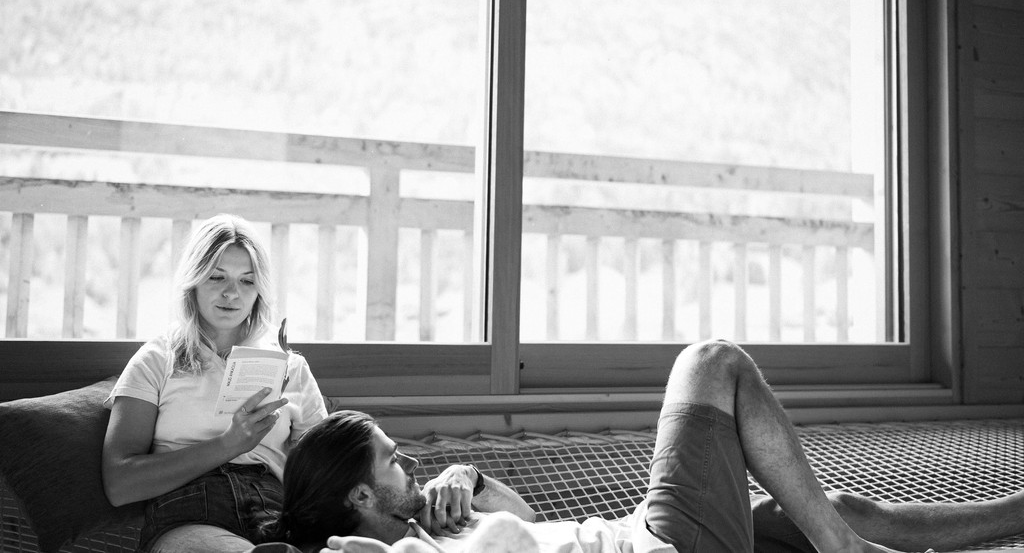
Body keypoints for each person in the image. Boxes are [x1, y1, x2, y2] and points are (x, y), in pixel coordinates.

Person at [264, 340, 1024, 553]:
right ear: (358, 495)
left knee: (835, 508)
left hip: (633, 533)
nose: (410, 463)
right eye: (392, 459)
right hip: (658, 545)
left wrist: (475, 481)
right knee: (712, 361)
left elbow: (531, 526)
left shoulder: (435, 520)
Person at [101, 213, 329, 553]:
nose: (231, 293)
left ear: (259, 291)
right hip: (190, 512)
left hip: (276, 513)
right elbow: (120, 484)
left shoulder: (289, 367)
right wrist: (228, 444)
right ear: (193, 280)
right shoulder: (157, 360)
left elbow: (325, 473)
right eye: (216, 277)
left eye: (247, 281)